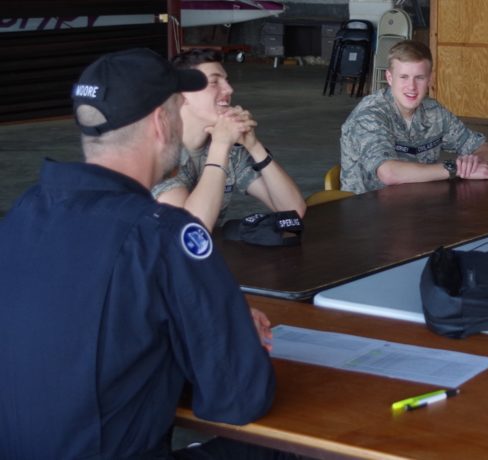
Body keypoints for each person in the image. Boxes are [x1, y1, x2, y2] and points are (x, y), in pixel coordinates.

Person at [0, 49, 280, 458]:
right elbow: (238, 398)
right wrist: (233, 332)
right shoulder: (163, 233)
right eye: (176, 107)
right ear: (159, 123)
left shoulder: (25, 212)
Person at [152, 48, 306, 230]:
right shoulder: (158, 152)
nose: (229, 89)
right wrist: (221, 144)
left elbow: (293, 211)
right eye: (214, 82)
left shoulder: (229, 149)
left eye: (227, 81)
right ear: (183, 95)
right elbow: (191, 230)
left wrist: (254, 146)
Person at [340, 40, 488, 195]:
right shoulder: (370, 115)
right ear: (389, 77)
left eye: (419, 77)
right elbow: (389, 173)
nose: (412, 87)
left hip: (417, 206)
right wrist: (454, 168)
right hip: (366, 212)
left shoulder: (433, 111)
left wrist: (472, 164)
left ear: (429, 79)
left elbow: (484, 148)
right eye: (404, 77)